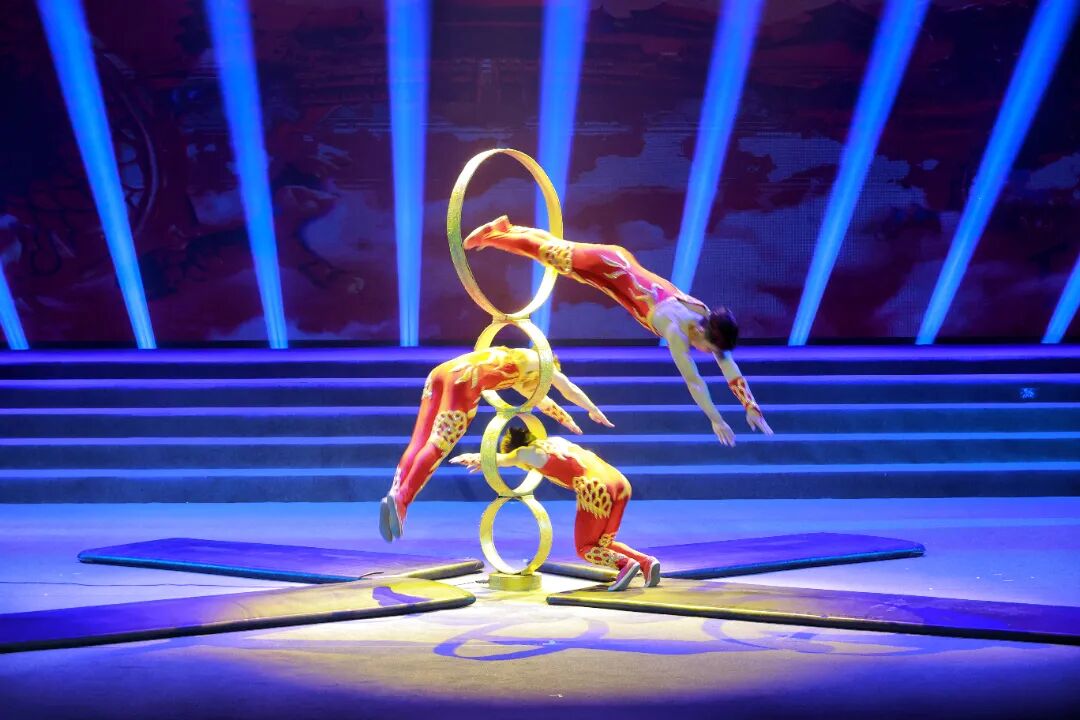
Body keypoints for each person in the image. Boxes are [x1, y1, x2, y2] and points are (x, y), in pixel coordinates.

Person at [464, 216, 773, 445]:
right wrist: (716, 420)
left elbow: (727, 364)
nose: (709, 355)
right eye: (711, 350)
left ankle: (506, 229)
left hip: (616, 264)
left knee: (555, 250)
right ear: (705, 336)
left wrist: (751, 406)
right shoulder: (676, 332)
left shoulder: (703, 313)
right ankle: (494, 236)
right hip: (608, 267)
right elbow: (695, 382)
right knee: (551, 253)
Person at [380, 346, 613, 542]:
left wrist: (568, 421)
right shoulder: (544, 363)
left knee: (418, 441)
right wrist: (592, 409)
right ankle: (403, 499)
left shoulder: (520, 366)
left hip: (441, 372)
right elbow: (568, 389)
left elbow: (543, 402)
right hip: (465, 381)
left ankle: (395, 492)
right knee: (438, 445)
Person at [451, 423, 657, 591]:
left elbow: (500, 459)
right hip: (620, 482)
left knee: (585, 548)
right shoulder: (557, 441)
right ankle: (645, 562)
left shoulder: (524, 453)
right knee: (604, 542)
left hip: (596, 488)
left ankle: (624, 564)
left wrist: (473, 457)